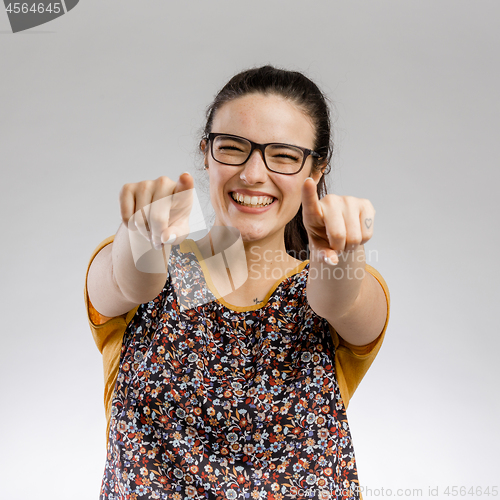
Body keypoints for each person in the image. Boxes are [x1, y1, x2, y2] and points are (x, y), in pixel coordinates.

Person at [85, 65, 390, 500]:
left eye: (283, 155)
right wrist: (140, 232)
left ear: (317, 169)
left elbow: (338, 298)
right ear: (206, 153)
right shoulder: (161, 273)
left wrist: (340, 251)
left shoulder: (327, 285)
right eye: (233, 147)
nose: (252, 174)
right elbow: (134, 282)